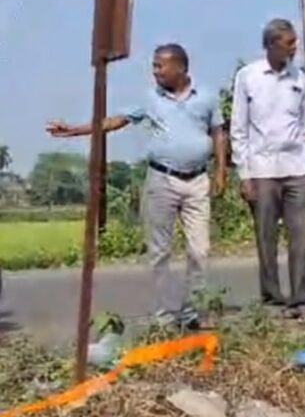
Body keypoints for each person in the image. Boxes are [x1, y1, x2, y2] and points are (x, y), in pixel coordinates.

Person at [46, 44, 226, 327]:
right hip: (162, 180)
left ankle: (194, 312)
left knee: (200, 250)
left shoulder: (206, 97)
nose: (154, 72)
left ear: (180, 67)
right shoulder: (150, 99)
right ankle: (165, 316)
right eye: (154, 66)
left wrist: (220, 172)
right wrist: (74, 129)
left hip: (197, 181)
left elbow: (218, 133)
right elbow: (116, 121)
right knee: (160, 252)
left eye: (160, 66)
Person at [231, 19, 305, 318]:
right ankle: (271, 297)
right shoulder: (248, 77)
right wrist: (244, 174)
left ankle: (301, 299)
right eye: (289, 43)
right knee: (266, 238)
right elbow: (238, 128)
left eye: (295, 42)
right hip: (262, 170)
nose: (295, 48)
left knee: (301, 237)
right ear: (271, 45)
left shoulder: (301, 78)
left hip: (297, 169)